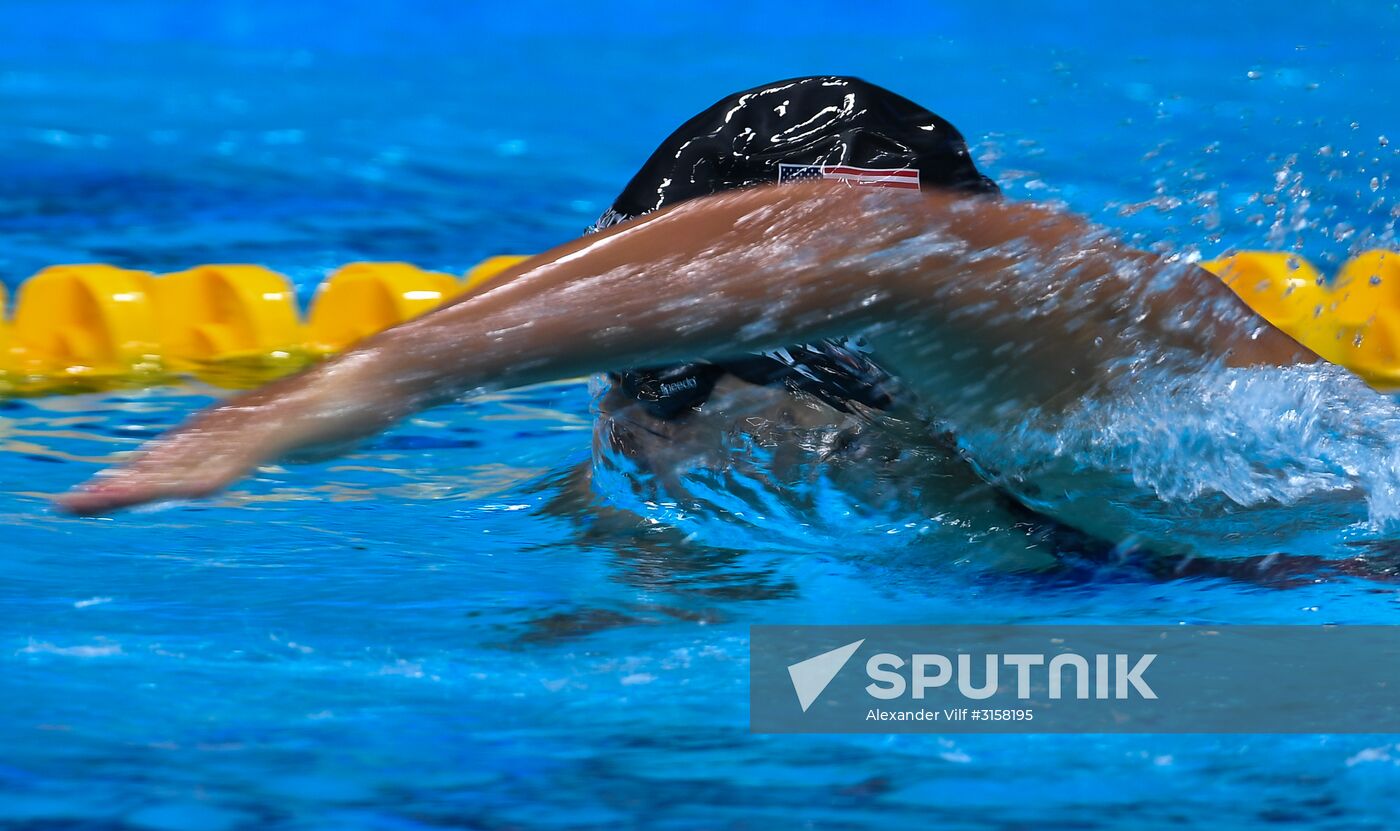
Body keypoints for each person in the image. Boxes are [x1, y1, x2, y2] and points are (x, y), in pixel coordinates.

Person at [57, 76, 1316, 550]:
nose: (634, 417)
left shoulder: (1080, 402)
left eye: (662, 372)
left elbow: (879, 237)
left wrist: (379, 377)